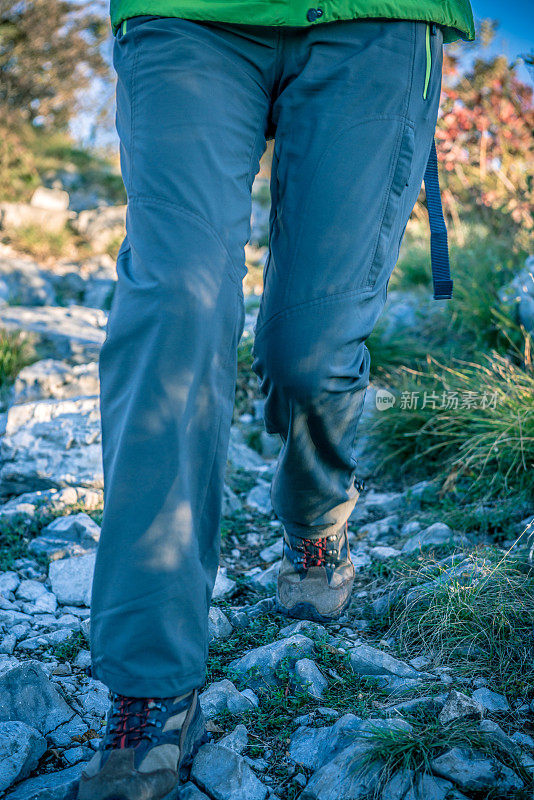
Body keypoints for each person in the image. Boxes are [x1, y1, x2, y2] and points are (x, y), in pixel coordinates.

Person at [78, 2, 474, 798]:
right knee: (175, 310)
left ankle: (317, 519)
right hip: (190, 16)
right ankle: (149, 682)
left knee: (312, 350)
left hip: (376, 18)